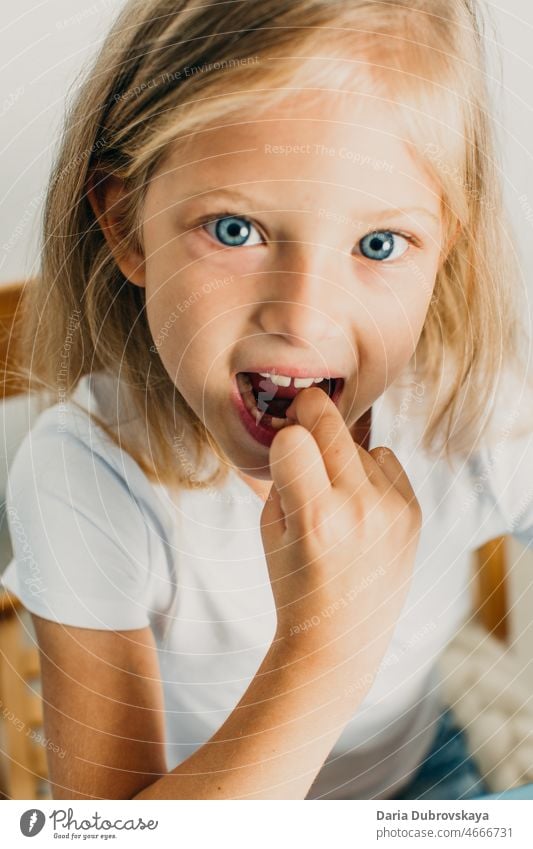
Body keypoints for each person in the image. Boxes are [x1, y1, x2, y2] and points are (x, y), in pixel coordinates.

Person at [2, 0, 532, 801]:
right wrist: (326, 650)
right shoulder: (85, 472)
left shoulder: (468, 411)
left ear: (442, 247)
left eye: (378, 244)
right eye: (234, 229)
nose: (301, 315)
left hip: (420, 780)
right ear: (125, 226)